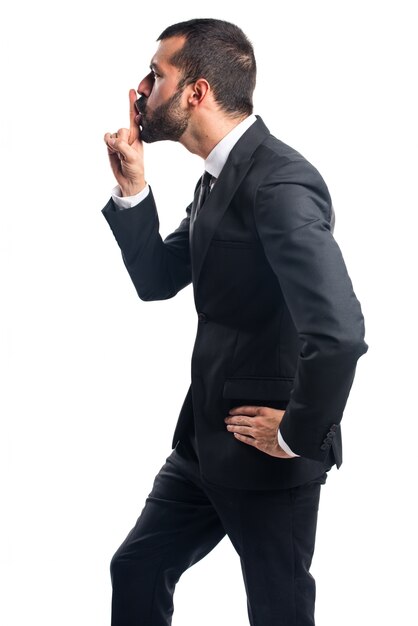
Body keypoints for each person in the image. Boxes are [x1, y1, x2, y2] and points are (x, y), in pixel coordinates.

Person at [101, 18, 368, 626]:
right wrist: (135, 191)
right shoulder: (217, 177)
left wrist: (299, 434)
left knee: (278, 613)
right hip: (202, 445)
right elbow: (157, 279)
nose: (141, 89)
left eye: (156, 75)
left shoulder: (279, 182)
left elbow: (339, 334)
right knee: (136, 569)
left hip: (266, 455)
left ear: (195, 92)